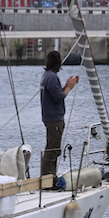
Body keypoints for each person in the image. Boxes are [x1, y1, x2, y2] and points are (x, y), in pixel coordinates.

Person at [39, 50, 79, 178]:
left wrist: (66, 85)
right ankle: (47, 178)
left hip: (49, 117)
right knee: (53, 150)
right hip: (54, 118)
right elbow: (59, 97)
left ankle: (51, 176)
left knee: (52, 148)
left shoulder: (46, 75)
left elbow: (54, 93)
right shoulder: (51, 77)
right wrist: (69, 87)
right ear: (59, 63)